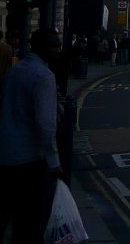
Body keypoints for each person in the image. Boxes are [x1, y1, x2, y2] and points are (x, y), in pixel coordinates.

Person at [0, 28, 63, 242]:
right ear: (44, 48)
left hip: (6, 155)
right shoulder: (44, 77)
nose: (58, 50)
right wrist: (54, 162)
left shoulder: (14, 71)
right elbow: (46, 126)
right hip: (30, 160)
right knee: (30, 223)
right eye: (55, 46)